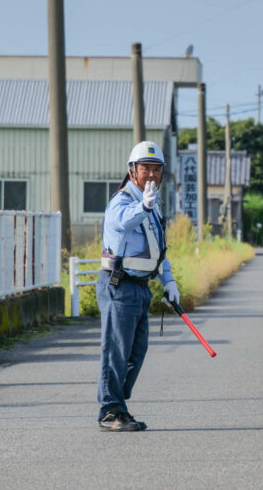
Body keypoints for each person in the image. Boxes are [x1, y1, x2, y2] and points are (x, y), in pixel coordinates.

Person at [96, 140, 180, 432]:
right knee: (116, 352)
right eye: (146, 168)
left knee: (136, 352)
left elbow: (158, 249)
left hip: (141, 287)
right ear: (132, 170)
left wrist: (168, 280)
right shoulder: (122, 201)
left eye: (157, 169)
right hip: (118, 286)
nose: (152, 175)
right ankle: (110, 411)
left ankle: (119, 405)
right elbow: (122, 222)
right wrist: (144, 206)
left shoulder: (152, 204)